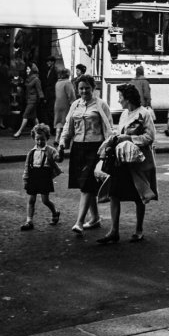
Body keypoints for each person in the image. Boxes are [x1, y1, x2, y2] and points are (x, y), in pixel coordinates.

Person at [96, 83, 157, 244]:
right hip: (121, 160)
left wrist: (130, 139)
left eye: (121, 97)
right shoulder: (124, 114)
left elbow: (150, 137)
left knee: (139, 195)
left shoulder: (144, 114)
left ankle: (139, 229)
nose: (119, 100)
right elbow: (120, 132)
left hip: (138, 162)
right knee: (114, 193)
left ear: (128, 99)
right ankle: (114, 231)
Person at [58, 75, 114, 234]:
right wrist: (63, 143)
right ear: (77, 89)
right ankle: (95, 218)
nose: (84, 91)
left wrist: (109, 147)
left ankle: (80, 222)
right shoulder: (75, 105)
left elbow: (109, 127)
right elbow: (68, 126)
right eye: (81, 88)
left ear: (93, 88)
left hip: (95, 148)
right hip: (78, 148)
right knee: (84, 185)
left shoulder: (101, 105)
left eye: (87, 88)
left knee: (87, 185)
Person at [20, 123, 61, 230]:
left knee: (45, 200)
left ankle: (55, 212)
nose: (39, 142)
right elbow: (27, 167)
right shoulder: (31, 152)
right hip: (33, 176)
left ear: (47, 138)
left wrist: (60, 152)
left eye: (42, 139)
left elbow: (58, 159)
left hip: (44, 176)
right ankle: (29, 221)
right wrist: (25, 179)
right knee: (31, 200)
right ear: (34, 138)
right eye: (37, 139)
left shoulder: (51, 150)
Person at [13, 64, 44, 138]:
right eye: (26, 69)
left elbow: (39, 90)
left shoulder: (36, 79)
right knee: (34, 117)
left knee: (25, 115)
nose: (27, 71)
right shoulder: (29, 78)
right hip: (29, 99)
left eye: (28, 69)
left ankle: (19, 131)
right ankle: (39, 132)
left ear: (32, 70)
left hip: (33, 100)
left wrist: (42, 99)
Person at [53, 68, 76, 146]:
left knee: (58, 121)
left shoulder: (57, 83)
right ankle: (65, 142)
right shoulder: (67, 83)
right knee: (67, 122)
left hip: (57, 104)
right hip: (66, 104)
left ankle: (56, 138)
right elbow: (71, 94)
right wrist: (74, 104)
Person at [43, 56, 58, 127]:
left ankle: (53, 127)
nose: (47, 63)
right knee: (49, 111)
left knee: (51, 111)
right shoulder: (49, 70)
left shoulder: (55, 71)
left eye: (49, 61)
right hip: (49, 93)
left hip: (52, 94)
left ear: (52, 62)